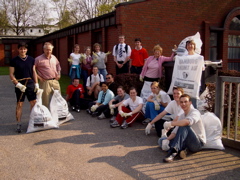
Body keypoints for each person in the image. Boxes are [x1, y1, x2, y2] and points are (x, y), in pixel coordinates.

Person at [160, 94, 206, 163]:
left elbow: (187, 122)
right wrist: (167, 140)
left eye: (185, 102)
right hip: (184, 141)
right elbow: (175, 132)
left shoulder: (195, 112)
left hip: (197, 143)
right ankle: (182, 150)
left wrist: (171, 123)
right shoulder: (182, 116)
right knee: (161, 140)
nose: (183, 104)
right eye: (181, 102)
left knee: (184, 126)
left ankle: (172, 153)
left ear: (190, 103)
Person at [9, 42, 39, 133]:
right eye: (21, 49)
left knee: (33, 103)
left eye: (24, 49)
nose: (23, 50)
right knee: (20, 104)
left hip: (30, 82)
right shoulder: (14, 60)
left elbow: (34, 71)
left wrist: (36, 84)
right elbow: (11, 74)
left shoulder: (31, 59)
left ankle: (32, 121)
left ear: (27, 50)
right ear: (18, 49)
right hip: (20, 83)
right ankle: (18, 123)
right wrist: (17, 84)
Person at [140, 44, 175, 112]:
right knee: (144, 95)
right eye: (156, 51)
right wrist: (141, 75)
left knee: (154, 95)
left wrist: (173, 52)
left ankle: (153, 109)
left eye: (158, 51)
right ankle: (143, 110)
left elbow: (170, 58)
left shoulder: (162, 58)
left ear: (160, 52)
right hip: (147, 79)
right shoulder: (150, 58)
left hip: (155, 81)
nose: (157, 53)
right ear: (154, 52)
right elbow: (145, 67)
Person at [35, 42, 61, 108]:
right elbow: (32, 70)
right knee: (45, 101)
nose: (48, 51)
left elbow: (58, 65)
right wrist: (39, 77)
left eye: (50, 49)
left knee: (59, 99)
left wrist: (59, 73)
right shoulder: (38, 59)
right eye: (47, 49)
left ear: (52, 50)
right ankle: (46, 116)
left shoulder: (54, 57)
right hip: (45, 82)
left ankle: (58, 115)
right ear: (44, 50)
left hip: (55, 81)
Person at [185, 40, 205, 108]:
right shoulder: (183, 57)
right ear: (186, 47)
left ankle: (193, 117)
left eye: (191, 44)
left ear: (194, 46)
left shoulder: (199, 57)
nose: (190, 46)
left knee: (193, 102)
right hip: (185, 82)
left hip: (194, 83)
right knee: (185, 100)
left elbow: (203, 68)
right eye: (188, 45)